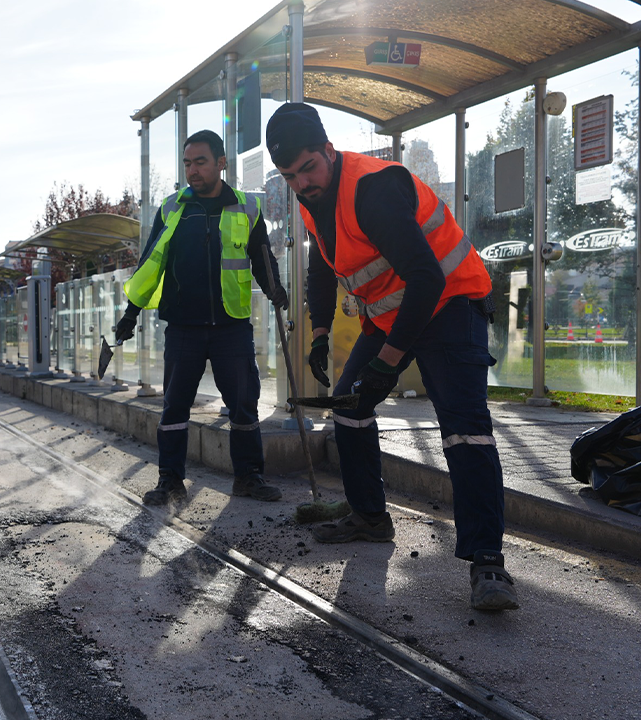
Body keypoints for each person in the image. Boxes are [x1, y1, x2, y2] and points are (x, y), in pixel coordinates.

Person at [264, 103, 517, 611]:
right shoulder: (313, 199)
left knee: (465, 430)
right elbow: (321, 267)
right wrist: (318, 332)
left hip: (450, 303)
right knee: (351, 408)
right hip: (390, 314)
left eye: (309, 168)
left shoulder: (373, 188)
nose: (302, 183)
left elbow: (427, 278)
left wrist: (388, 362)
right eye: (290, 176)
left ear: (329, 151)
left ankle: (487, 561)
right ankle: (369, 517)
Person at [116, 129, 288, 506]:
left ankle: (249, 477)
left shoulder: (246, 207)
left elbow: (262, 258)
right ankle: (170, 480)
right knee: (175, 405)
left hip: (232, 326)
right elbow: (151, 264)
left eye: (201, 162)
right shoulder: (173, 207)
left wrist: (275, 287)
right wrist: (130, 314)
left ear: (221, 163)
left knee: (244, 404)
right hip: (184, 327)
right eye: (187, 163)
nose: (193, 170)